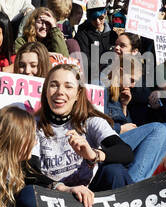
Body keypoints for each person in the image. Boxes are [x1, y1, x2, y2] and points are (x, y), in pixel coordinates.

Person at [32, 62, 134, 192]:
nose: (60, 92)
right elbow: (29, 170)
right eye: (53, 85)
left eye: (68, 87)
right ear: (45, 91)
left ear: (78, 94)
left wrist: (93, 155)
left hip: (89, 195)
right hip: (52, 195)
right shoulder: (32, 125)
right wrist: (61, 188)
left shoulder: (91, 122)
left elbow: (125, 152)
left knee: (115, 171)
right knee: (28, 195)